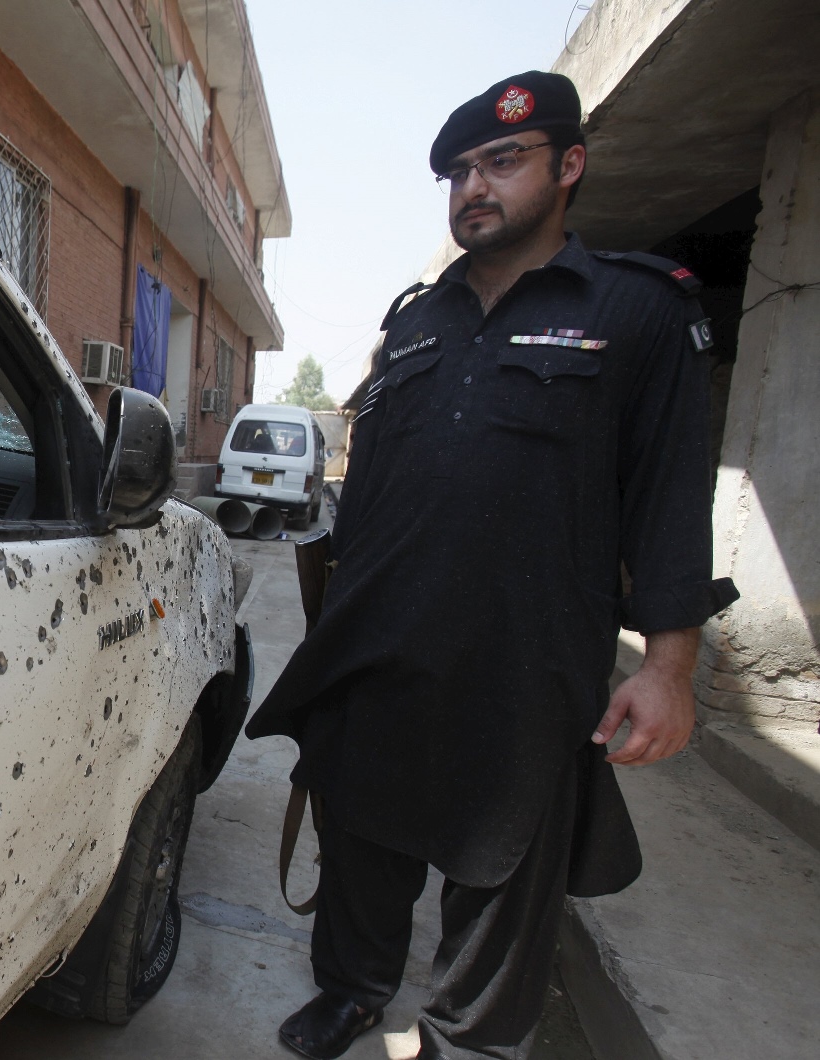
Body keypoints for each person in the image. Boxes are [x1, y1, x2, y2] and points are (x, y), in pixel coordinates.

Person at [245, 71, 738, 1060]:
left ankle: (466, 1039)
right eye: (458, 172)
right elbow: (370, 489)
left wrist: (667, 665)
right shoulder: (413, 323)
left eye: (501, 162)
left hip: (528, 661)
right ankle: (351, 988)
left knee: (503, 868)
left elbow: (669, 497)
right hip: (380, 639)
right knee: (363, 839)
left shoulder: (635, 311)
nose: (473, 187)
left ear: (568, 166)